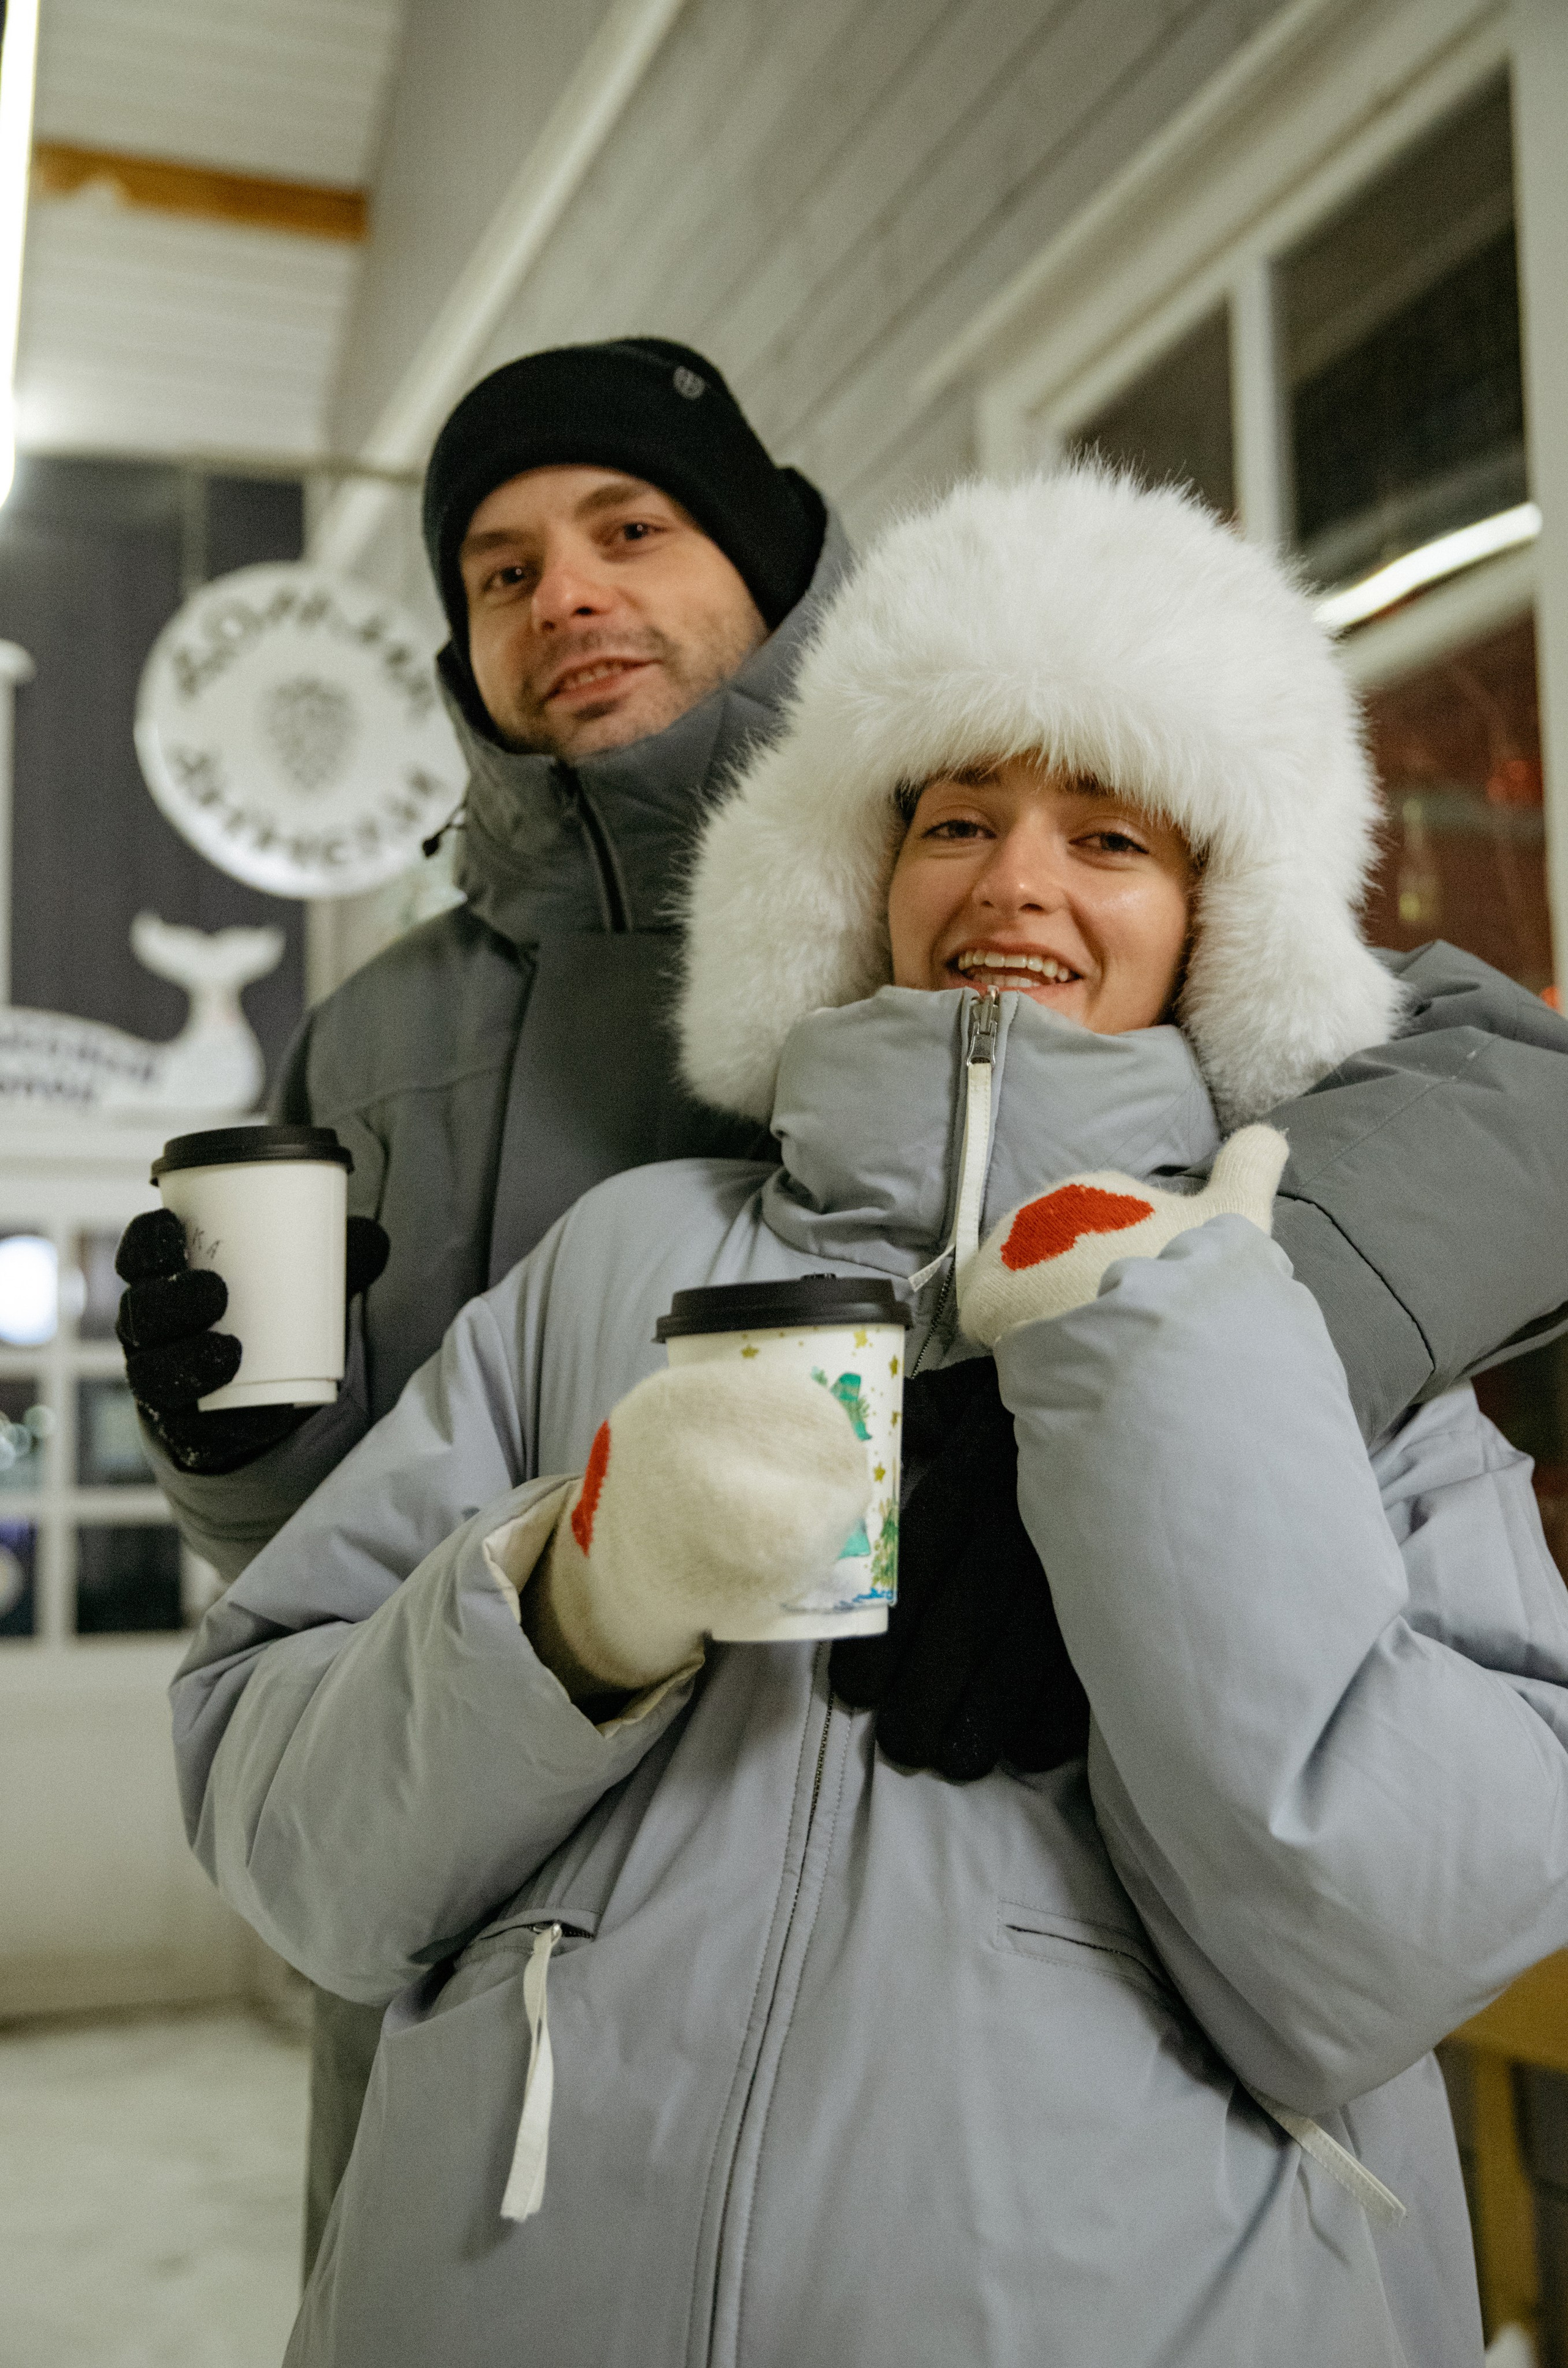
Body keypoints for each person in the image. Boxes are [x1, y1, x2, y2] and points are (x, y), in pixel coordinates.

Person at [174, 466, 1568, 2365]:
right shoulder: (621, 1260)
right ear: (853, 869)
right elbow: (297, 1842)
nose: (1016, 883)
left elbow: (1381, 1946)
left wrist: (1153, 1380)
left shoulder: (1312, 1315)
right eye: (958, 817)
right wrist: (569, 1598)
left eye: (1113, 837)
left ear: (1221, 919)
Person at [116, 334, 840, 2265]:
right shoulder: (372, 1034)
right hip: (452, 1931)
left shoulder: (945, 895)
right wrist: (230, 1457)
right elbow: (317, 1570)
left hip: (846, 1894)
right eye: (501, 570)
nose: (565, 595)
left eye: (629, 527)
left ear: (767, 569)